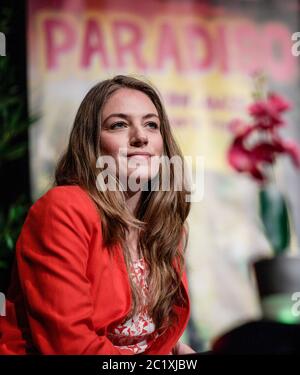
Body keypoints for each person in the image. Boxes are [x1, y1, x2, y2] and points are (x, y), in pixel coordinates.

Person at [0, 75, 195, 355]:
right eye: (119, 125)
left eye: (151, 124)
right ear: (91, 144)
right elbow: (70, 344)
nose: (141, 136)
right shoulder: (62, 210)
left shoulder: (163, 224)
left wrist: (172, 350)